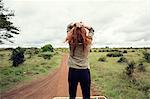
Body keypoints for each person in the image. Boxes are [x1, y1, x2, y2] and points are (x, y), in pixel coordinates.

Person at [65, 21, 94, 99]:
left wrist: (75, 25)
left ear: (73, 33)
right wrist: (83, 26)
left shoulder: (71, 42)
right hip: (84, 71)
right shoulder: (88, 42)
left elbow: (68, 27)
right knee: (86, 96)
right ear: (84, 33)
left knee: (72, 96)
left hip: (73, 71)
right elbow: (91, 30)